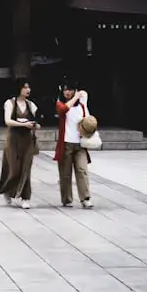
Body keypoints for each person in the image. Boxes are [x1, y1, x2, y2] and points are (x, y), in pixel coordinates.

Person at [0, 81, 39, 208]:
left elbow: (36, 120)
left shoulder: (31, 105)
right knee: (14, 169)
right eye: (25, 87)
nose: (28, 90)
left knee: (26, 168)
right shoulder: (10, 103)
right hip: (13, 139)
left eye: (29, 87)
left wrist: (34, 125)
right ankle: (7, 189)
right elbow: (8, 121)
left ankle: (25, 197)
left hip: (27, 140)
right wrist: (22, 124)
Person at [54, 80, 93, 208]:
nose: (67, 92)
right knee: (65, 174)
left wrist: (80, 96)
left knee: (82, 170)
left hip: (80, 144)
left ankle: (85, 198)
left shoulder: (81, 106)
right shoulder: (60, 103)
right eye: (65, 90)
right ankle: (66, 199)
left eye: (70, 89)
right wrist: (76, 96)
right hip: (65, 144)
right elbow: (63, 110)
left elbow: (88, 120)